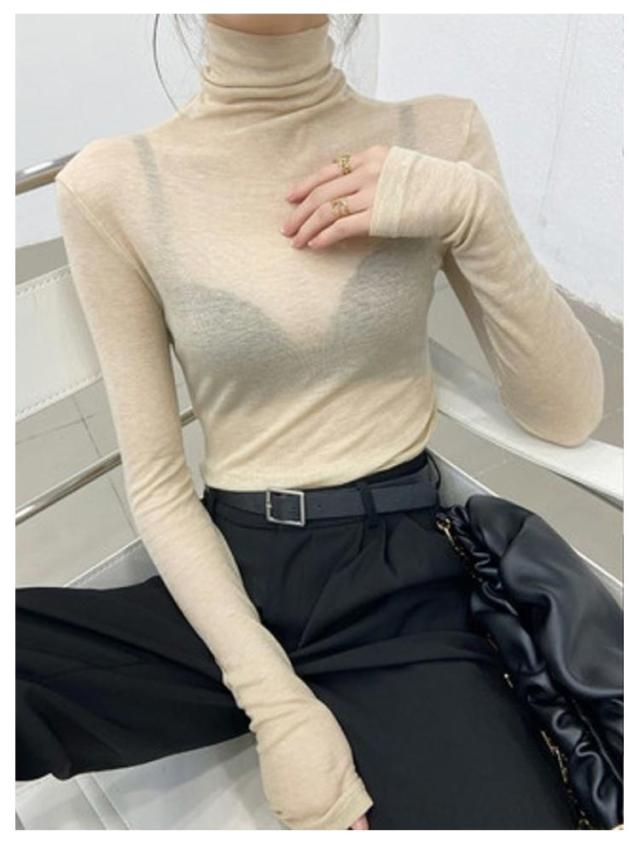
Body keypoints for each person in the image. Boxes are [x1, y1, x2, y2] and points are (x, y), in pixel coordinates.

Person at [15, 12, 604, 830]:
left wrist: (476, 211)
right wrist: (277, 706)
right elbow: (156, 483)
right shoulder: (113, 183)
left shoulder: (439, 133)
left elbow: (568, 415)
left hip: (396, 582)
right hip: (227, 571)